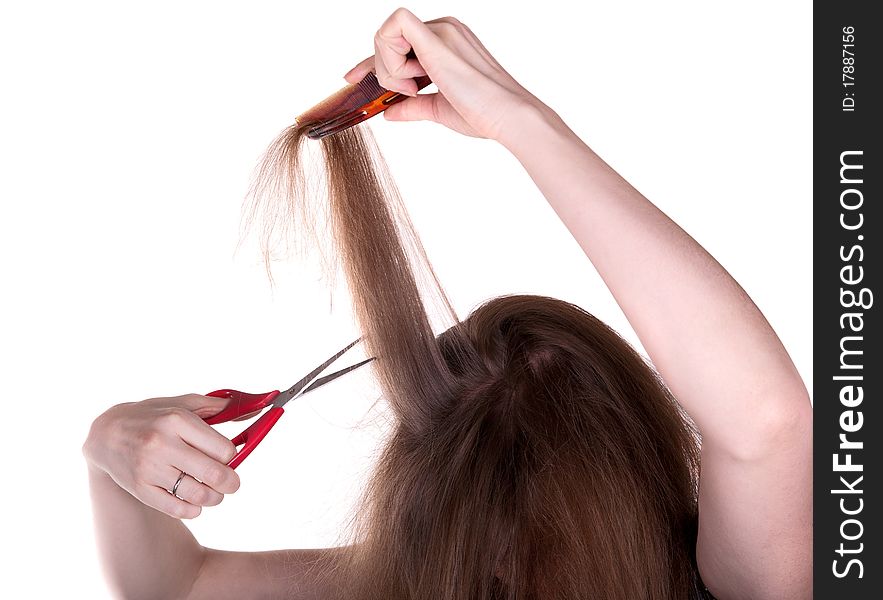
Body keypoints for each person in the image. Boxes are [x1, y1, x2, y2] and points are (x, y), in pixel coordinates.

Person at [83, 8, 812, 599]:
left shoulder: (738, 585)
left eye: (537, 550)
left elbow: (767, 422)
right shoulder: (409, 580)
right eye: (481, 554)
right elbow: (177, 583)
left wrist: (521, 121)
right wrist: (109, 452)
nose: (499, 575)